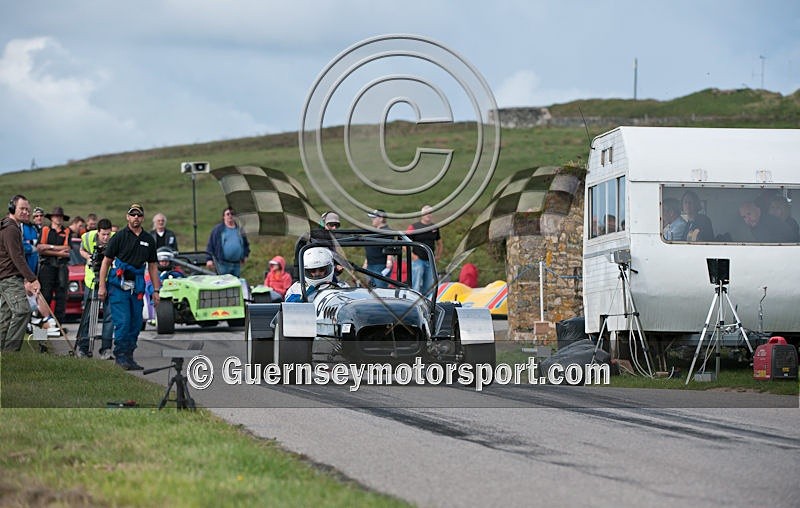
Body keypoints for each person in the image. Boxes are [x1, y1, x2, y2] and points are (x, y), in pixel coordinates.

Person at [98, 203, 160, 370]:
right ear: (127, 217)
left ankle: (129, 356)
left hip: (138, 286)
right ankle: (120, 356)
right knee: (123, 321)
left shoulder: (148, 239)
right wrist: (102, 286)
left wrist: (156, 290)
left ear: (143, 218)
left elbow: (153, 266)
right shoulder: (119, 237)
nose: (135, 218)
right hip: (119, 286)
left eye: (139, 215)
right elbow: (106, 262)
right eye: (133, 215)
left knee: (135, 322)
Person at [1, 195, 42, 351]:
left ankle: (3, 354)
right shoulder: (11, 229)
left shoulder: (11, 226)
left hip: (6, 277)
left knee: (5, 317)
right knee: (23, 311)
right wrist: (32, 279)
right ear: (12, 208)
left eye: (28, 210)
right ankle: (11, 352)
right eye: (22, 209)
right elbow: (16, 256)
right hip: (9, 278)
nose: (26, 212)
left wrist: (26, 279)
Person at [75, 218, 115, 359]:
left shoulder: (115, 239)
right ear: (98, 232)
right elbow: (81, 250)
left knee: (109, 315)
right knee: (88, 315)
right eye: (103, 234)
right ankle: (83, 347)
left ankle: (106, 349)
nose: (105, 238)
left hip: (109, 280)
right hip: (92, 280)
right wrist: (89, 256)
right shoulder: (87, 237)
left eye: (108, 234)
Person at [37, 206, 72, 324]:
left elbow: (67, 250)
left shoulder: (66, 231)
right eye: (56, 216)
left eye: (60, 217)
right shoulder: (45, 229)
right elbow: (40, 248)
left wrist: (48, 247)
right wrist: (57, 250)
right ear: (52, 218)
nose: (58, 219)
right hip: (47, 266)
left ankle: (58, 326)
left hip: (61, 267)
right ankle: (42, 327)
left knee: (61, 297)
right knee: (45, 296)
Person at [406, 205, 443, 296]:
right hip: (418, 260)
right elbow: (404, 241)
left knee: (429, 286)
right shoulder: (414, 227)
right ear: (422, 214)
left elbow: (440, 243)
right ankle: (413, 302)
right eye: (426, 213)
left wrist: (438, 255)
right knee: (416, 285)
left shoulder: (434, 227)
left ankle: (427, 305)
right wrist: (412, 255)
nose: (428, 215)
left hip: (430, 260)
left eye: (430, 213)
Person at [205, 207, 249, 277]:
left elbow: (245, 244)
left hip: (236, 264)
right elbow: (211, 245)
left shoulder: (240, 229)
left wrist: (245, 255)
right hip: (222, 264)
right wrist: (209, 259)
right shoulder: (218, 230)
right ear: (224, 217)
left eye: (232, 214)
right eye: (228, 214)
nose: (230, 216)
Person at [362, 209, 393, 288]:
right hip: (371, 265)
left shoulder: (387, 232)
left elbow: (390, 248)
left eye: (374, 218)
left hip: (380, 265)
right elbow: (370, 249)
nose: (372, 220)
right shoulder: (375, 231)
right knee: (370, 291)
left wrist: (388, 263)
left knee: (380, 291)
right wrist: (366, 262)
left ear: (381, 218)